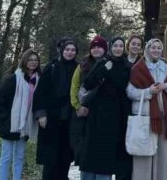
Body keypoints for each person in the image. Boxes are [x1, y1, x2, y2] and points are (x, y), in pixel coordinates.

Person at [79, 37, 133, 180]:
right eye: (115, 45)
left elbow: (125, 87)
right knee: (93, 151)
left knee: (109, 154)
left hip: (117, 115)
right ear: (110, 47)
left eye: (121, 46)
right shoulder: (103, 62)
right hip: (98, 114)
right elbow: (88, 83)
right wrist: (103, 70)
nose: (118, 48)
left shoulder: (126, 65)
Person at [127, 38, 167, 180]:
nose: (156, 50)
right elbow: (130, 92)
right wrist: (148, 91)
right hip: (145, 115)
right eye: (153, 47)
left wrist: (166, 87)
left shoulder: (166, 67)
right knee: (143, 151)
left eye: (159, 48)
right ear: (148, 49)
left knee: (161, 153)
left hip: (162, 115)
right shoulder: (138, 68)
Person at [34, 38, 79, 180]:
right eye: (67, 49)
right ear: (62, 50)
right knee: (50, 160)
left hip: (70, 119)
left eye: (73, 50)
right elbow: (40, 93)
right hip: (51, 119)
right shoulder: (51, 67)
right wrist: (41, 114)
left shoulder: (79, 68)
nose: (70, 52)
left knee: (65, 159)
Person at [0, 49, 41, 180]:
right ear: (24, 61)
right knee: (6, 157)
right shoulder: (12, 79)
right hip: (10, 124)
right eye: (30, 59)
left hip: (25, 125)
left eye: (35, 60)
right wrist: (5, 121)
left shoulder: (38, 81)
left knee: (19, 156)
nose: (33, 62)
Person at [70, 36, 108, 167]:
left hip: (102, 112)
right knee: (83, 149)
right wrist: (77, 106)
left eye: (99, 47)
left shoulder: (110, 63)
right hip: (84, 112)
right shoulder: (83, 65)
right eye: (94, 47)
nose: (96, 49)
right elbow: (74, 87)